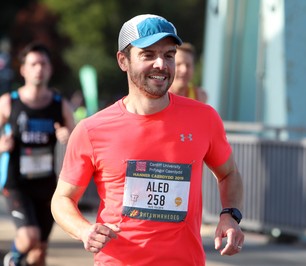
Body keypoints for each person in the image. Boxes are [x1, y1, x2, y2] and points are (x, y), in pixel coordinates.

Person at [51, 14, 244, 266]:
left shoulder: (204, 118)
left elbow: (228, 173)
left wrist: (230, 215)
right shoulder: (92, 129)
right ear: (123, 60)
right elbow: (62, 199)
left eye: (168, 55)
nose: (161, 64)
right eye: (148, 54)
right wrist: (84, 230)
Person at [0, 42, 75, 266]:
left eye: (43, 64)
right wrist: (1, 144)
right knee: (28, 236)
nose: (39, 69)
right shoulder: (8, 102)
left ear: (50, 69)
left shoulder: (60, 104)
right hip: (16, 183)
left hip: (46, 184)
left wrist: (67, 136)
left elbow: (79, 139)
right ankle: (12, 259)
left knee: (38, 253)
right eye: (33, 64)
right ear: (23, 69)